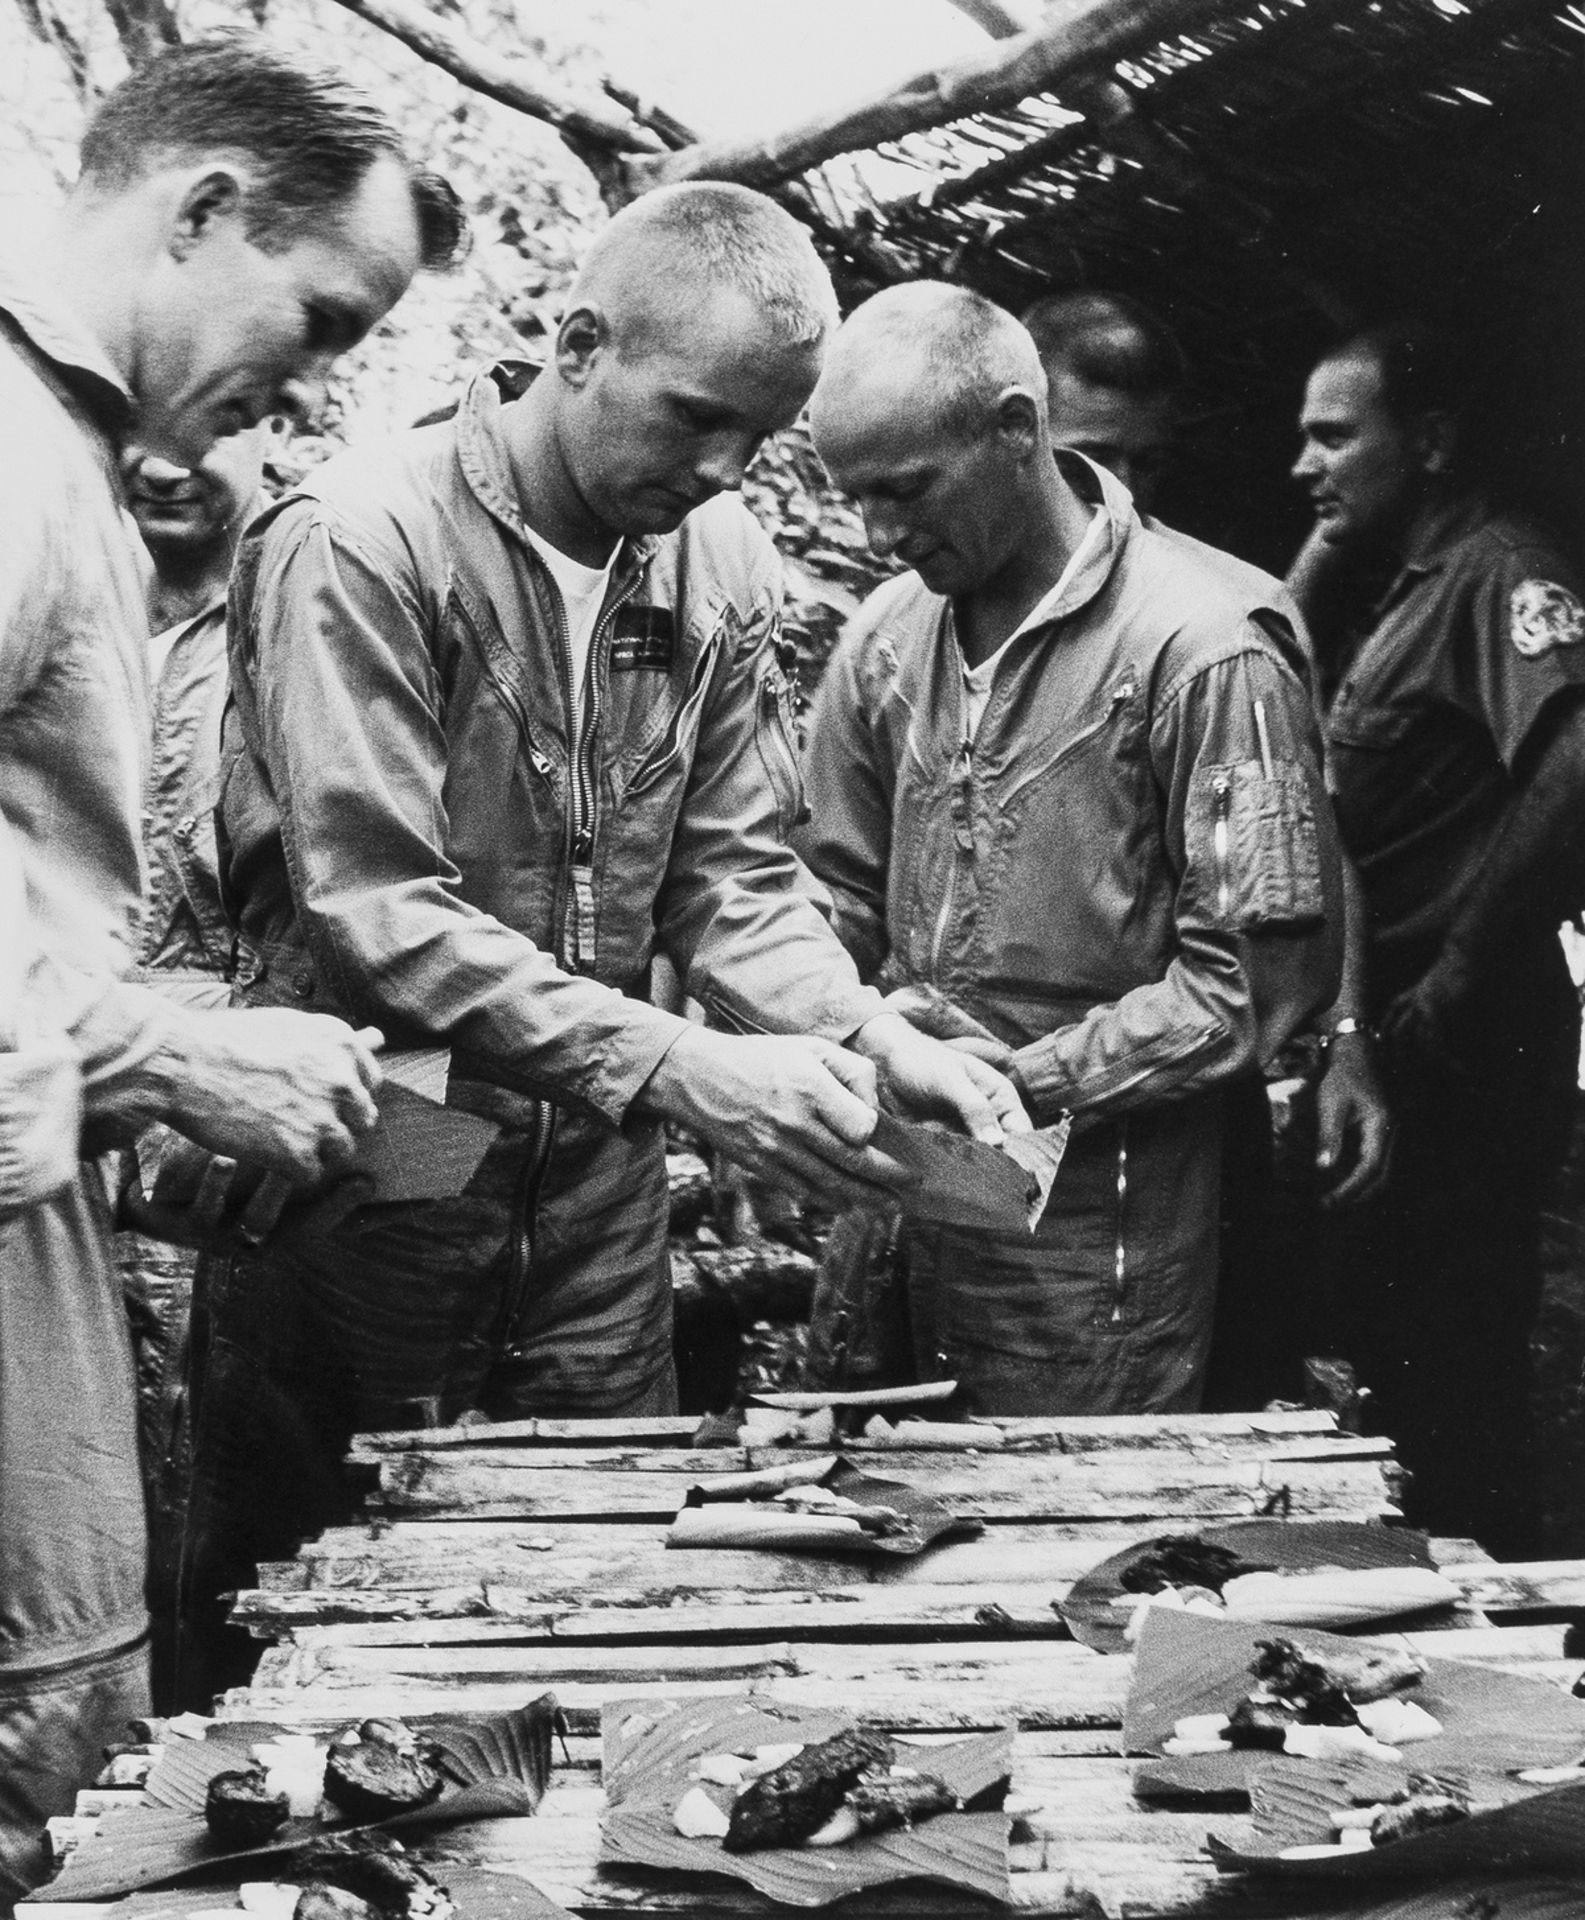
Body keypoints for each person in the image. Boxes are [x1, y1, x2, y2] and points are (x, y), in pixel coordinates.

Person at [180, 183, 1026, 1705]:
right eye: (695, 417)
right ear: (576, 344)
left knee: (598, 1578)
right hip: (395, 1130)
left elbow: (732, 884)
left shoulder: (721, 572)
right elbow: (379, 922)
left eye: (757, 439)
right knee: (338, 1594)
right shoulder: (365, 542)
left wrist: (866, 1033)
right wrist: (688, 1066)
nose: (720, 471)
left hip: (593, 1191)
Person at [0, 39, 462, 1902]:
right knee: (51, 1785)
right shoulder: (19, 472)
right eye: (324, 313)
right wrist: (168, 1061)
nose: (318, 375)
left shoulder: (73, 465)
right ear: (200, 211)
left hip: (41, 1205)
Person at [798, 282, 1343, 1417]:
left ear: (1015, 428)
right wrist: (824, 1020)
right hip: (894, 1194)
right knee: (877, 1498)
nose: (879, 536)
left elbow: (1254, 977)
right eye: (854, 499)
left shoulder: (1206, 646)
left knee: (1068, 1518)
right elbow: (826, 888)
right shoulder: (884, 640)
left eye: (905, 491)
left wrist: (1021, 1080)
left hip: (1097, 1226)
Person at [1021, 290, 1393, 1411]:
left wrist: (1343, 1037)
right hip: (997, 1118)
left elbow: (1313, 844)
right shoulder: (920, 628)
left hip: (1179, 1102)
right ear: (1012, 427)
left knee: (1206, 1396)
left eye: (1147, 461)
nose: (1120, 493)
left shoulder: (1213, 622)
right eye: (1089, 457)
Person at [1289, 323, 1585, 1553]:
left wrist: (1463, 960)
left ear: (1433, 444)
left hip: (1466, 1022)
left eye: (1334, 436)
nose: (1304, 463)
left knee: (1456, 1348)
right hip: (1399, 1018)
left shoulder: (1496, 570)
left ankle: (1496, 1605)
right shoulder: (1403, 588)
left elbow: (1573, 749)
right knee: (1400, 1336)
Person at [118, 422, 274, 1710]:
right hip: (63, 1136)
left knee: (227, 1530)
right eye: (141, 438)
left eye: (208, 433)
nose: (166, 466)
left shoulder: (306, 611)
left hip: (254, 1159)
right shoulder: (60, 595)